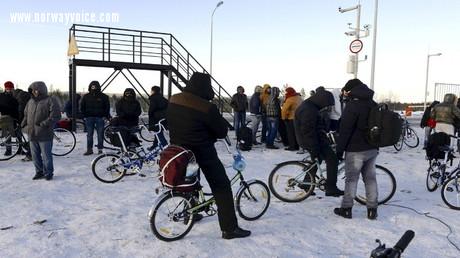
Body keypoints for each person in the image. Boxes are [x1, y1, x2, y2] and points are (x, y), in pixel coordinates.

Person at [167, 72, 250, 239]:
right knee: (221, 186)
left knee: (191, 183)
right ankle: (229, 228)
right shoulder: (206, 107)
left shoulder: (174, 99)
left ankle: (190, 213)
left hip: (180, 152)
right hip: (203, 152)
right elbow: (221, 131)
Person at [333, 79, 379, 219]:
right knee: (370, 179)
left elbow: (345, 129)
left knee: (351, 180)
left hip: (355, 150)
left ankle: (346, 208)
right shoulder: (373, 103)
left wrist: (340, 150)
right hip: (372, 148)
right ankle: (372, 210)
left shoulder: (353, 106)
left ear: (351, 90)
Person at [294, 88, 344, 196]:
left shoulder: (310, 106)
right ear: (322, 100)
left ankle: (306, 184)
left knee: (316, 161)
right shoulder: (309, 110)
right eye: (326, 104)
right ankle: (331, 187)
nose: (326, 107)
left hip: (312, 139)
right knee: (332, 160)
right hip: (311, 140)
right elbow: (308, 131)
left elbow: (315, 126)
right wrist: (314, 148)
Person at [22, 81, 61, 180]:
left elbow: (56, 116)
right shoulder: (30, 101)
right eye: (32, 90)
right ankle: (39, 172)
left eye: (36, 90)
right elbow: (26, 115)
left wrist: (43, 124)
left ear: (41, 90)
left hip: (45, 133)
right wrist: (23, 125)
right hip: (32, 133)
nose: (34, 92)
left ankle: (48, 173)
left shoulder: (51, 100)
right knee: (35, 156)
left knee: (46, 156)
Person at [80, 81, 110, 155]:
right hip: (89, 118)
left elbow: (107, 107)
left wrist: (105, 116)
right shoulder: (86, 96)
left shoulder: (104, 97)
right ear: (90, 87)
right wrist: (84, 115)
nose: (94, 88)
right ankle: (89, 149)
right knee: (89, 134)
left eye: (95, 87)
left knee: (100, 134)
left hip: (100, 118)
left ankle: (100, 149)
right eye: (92, 86)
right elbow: (82, 106)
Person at [0, 81, 19, 156]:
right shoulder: (1, 96)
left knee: (18, 133)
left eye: (11, 88)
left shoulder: (15, 95)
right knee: (7, 134)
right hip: (5, 117)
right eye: (8, 88)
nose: (9, 89)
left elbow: (18, 106)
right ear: (5, 88)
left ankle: (20, 149)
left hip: (16, 117)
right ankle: (8, 150)